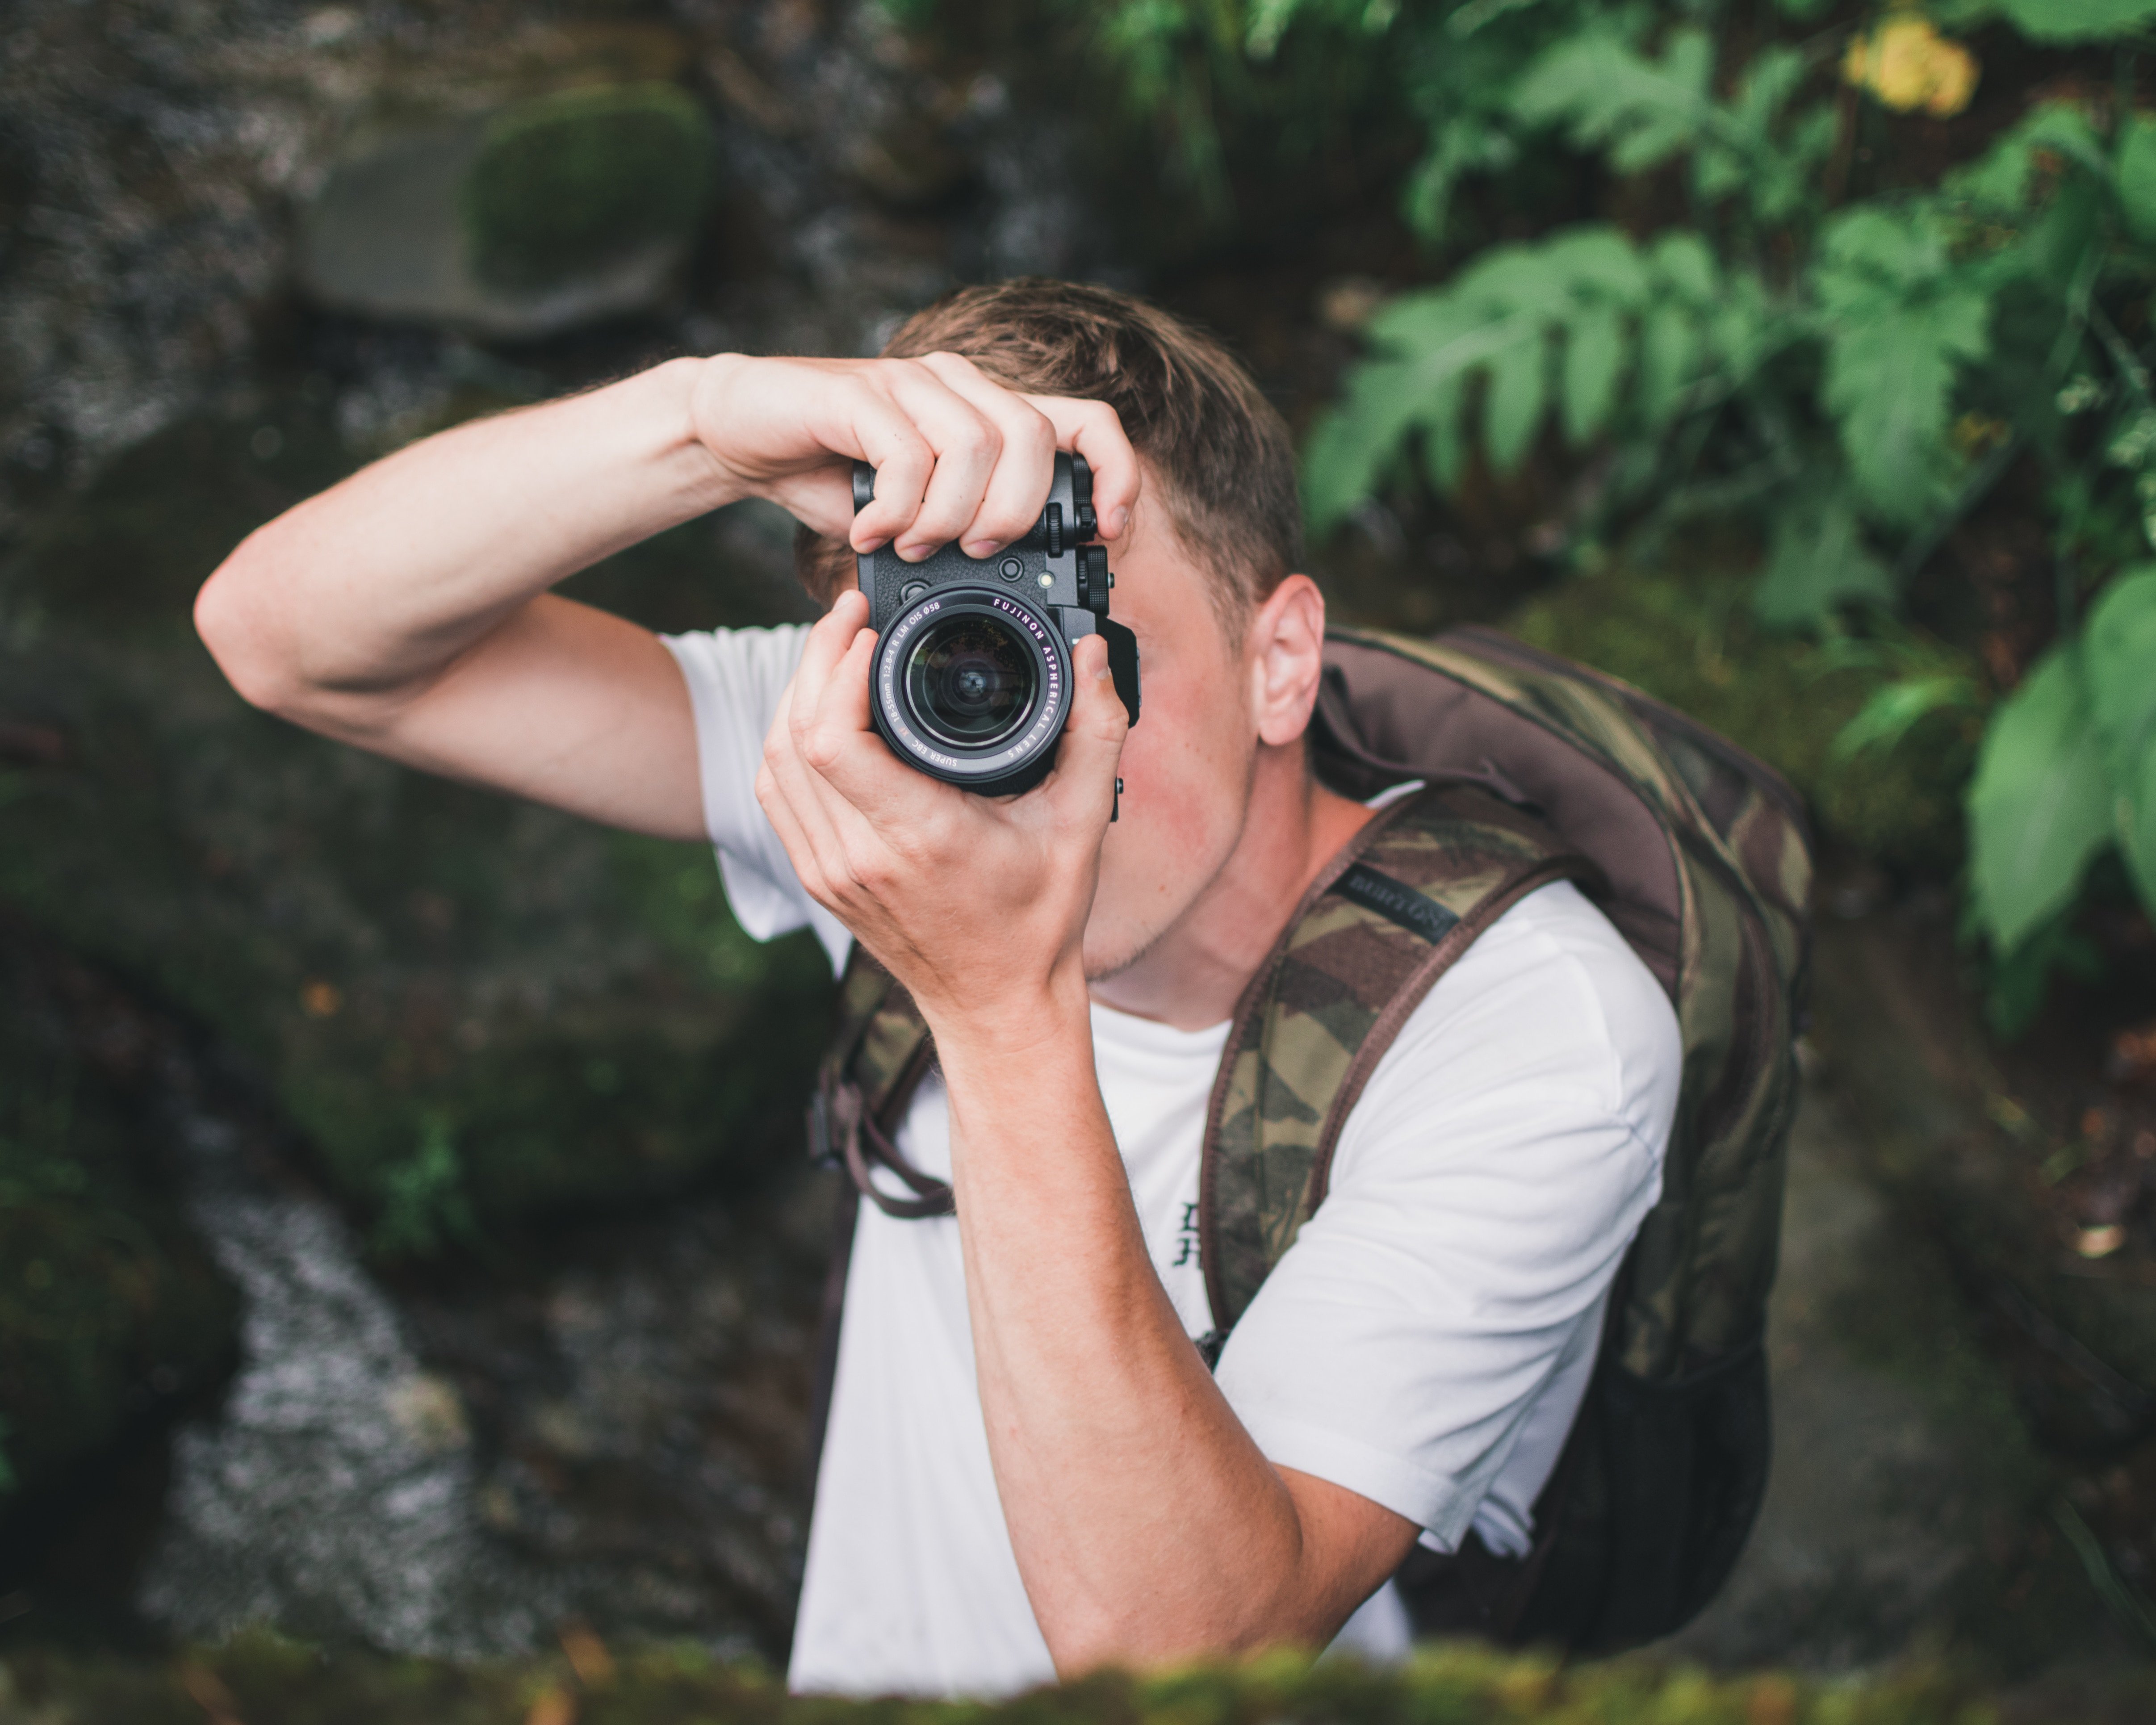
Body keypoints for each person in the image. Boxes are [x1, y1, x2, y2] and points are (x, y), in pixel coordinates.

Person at [194, 279, 1680, 1698]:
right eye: (960, 655)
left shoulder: (1535, 1036)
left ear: (1279, 659)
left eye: (1088, 642)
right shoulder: (884, 757)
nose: (1028, 743)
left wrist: (991, 1000)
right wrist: (700, 427)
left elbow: (1182, 1660)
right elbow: (294, 644)